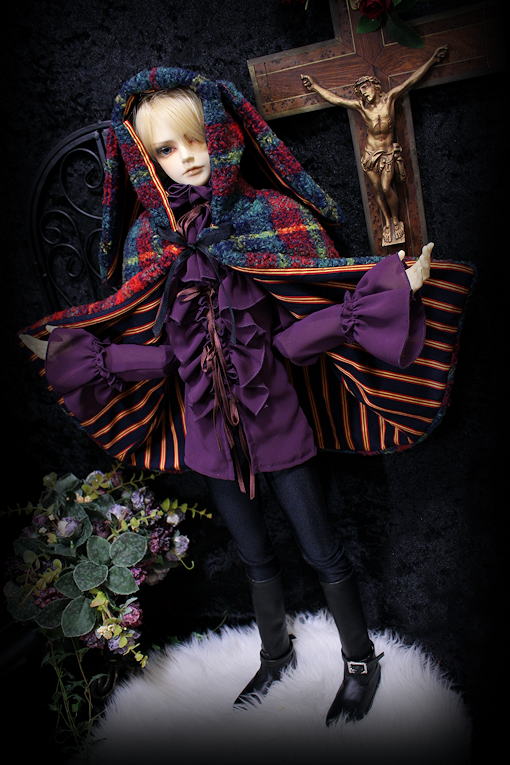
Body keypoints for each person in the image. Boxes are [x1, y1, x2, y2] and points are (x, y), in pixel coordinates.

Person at [18, 67, 472, 726]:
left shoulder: (270, 216)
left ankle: (359, 662)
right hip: (207, 434)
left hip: (277, 421)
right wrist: (74, 354)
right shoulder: (149, 241)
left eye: (196, 138)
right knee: (254, 554)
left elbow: (298, 328)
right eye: (166, 149)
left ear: (222, 134)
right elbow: (160, 351)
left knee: (321, 548)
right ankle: (274, 652)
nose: (187, 157)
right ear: (144, 160)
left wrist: (387, 294)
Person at [301, 45, 448, 245]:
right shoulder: (361, 107)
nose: (363, 93)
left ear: (375, 86)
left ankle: (395, 219)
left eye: (365, 88)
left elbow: (411, 81)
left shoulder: (390, 99)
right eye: (360, 90)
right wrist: (314, 87)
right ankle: (387, 222)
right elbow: (336, 100)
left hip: (387, 154)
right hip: (370, 155)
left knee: (387, 187)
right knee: (378, 190)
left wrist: (432, 60)